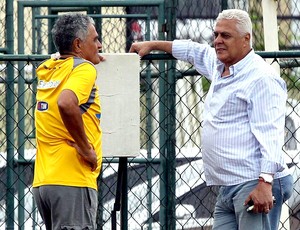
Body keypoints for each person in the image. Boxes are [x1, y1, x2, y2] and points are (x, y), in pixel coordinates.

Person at [129, 9, 293, 230]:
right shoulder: (219, 65)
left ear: (246, 39)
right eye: (216, 34)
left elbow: (271, 134)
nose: (217, 41)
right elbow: (192, 50)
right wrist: (153, 44)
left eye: (225, 36)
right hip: (228, 185)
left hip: (254, 182)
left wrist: (265, 183)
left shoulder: (261, 78)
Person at [32, 13, 104, 230]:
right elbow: (66, 103)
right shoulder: (83, 69)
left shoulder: (50, 68)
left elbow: (62, 60)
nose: (100, 45)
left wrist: (93, 57)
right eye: (95, 40)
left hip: (44, 182)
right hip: (72, 179)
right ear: (78, 44)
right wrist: (86, 149)